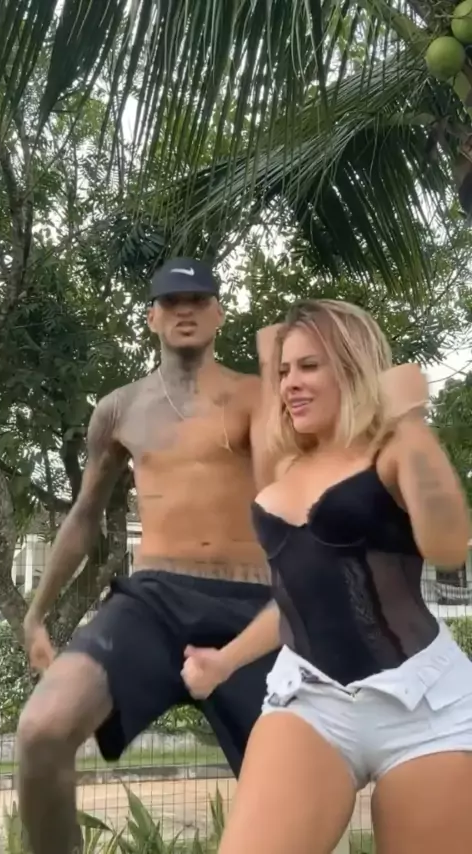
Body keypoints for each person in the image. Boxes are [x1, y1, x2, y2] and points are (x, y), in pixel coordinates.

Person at [182, 298, 472, 854]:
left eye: (309, 366)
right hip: (310, 699)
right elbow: (297, 597)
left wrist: (411, 422)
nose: (290, 383)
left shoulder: (391, 451)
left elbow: (447, 545)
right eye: (285, 371)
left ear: (354, 368)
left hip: (424, 706)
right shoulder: (284, 463)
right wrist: (226, 660)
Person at [16, 257, 277, 854]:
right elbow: (84, 516)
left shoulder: (260, 396)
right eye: (171, 302)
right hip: (155, 600)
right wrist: (37, 612)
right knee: (41, 730)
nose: (185, 311)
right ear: (152, 318)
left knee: (294, 791)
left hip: (254, 602)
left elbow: (298, 495)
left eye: (198, 300)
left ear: (219, 313)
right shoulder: (119, 408)